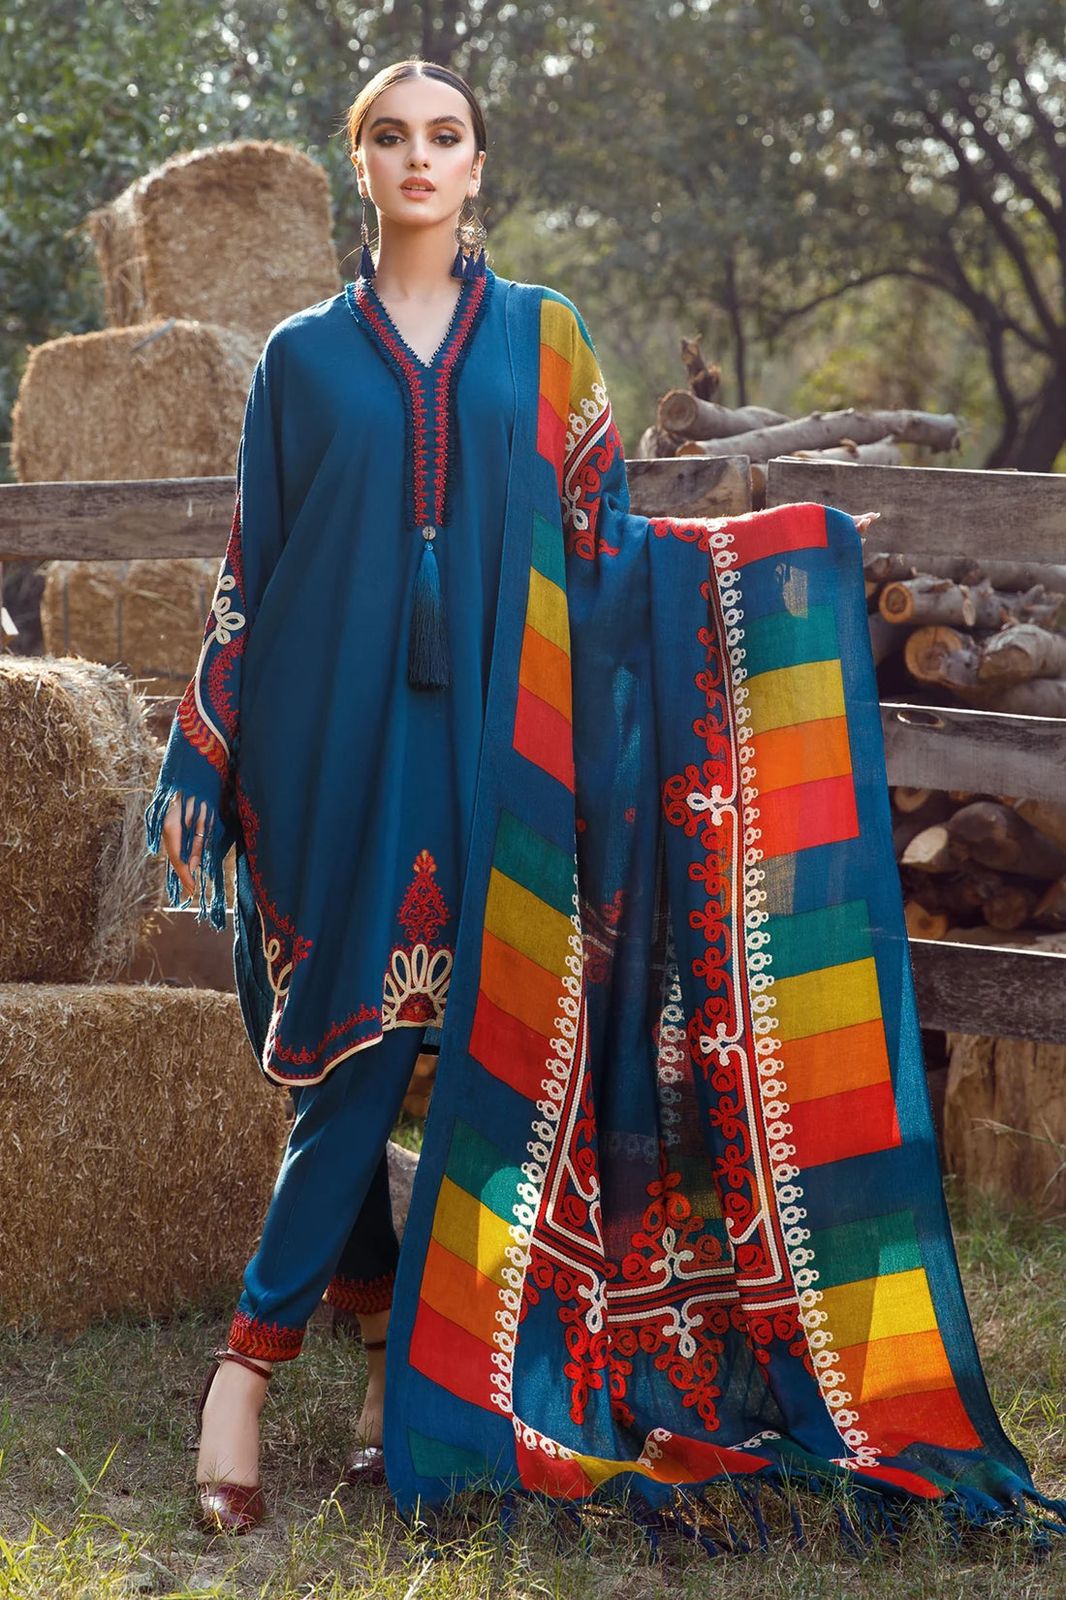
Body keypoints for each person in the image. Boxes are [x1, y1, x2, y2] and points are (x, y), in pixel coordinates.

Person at [146, 59, 1064, 1551]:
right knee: (357, 1073)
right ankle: (249, 1373)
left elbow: (608, 551)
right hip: (334, 752)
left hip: (502, 763)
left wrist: (782, 564)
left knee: (491, 1064)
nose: (420, 159)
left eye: (446, 135)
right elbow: (252, 575)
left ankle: (386, 1375)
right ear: (357, 164)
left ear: (481, 163)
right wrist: (205, 748)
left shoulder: (546, 340)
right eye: (391, 137)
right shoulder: (301, 360)